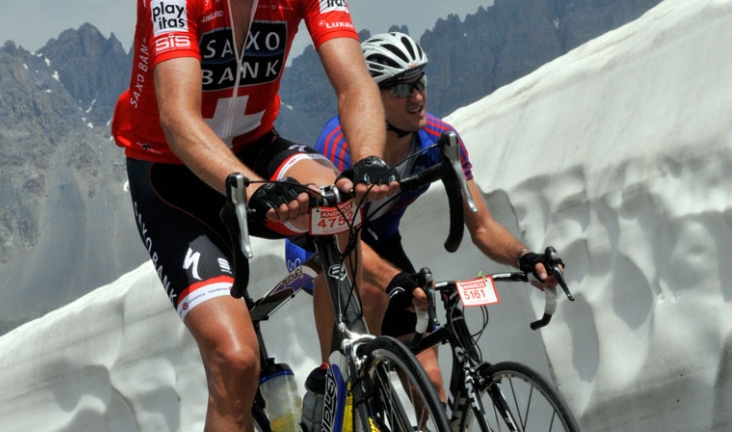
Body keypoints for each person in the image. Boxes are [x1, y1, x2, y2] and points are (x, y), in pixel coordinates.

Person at [111, 2, 399, 431]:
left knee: (337, 209)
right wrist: (255, 189)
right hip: (171, 173)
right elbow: (178, 118)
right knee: (236, 360)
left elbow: (355, 83)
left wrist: (370, 158)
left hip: (254, 145)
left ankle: (337, 394)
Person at [286, 32, 565, 407]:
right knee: (362, 313)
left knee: (429, 382)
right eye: (401, 87)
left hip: (380, 245)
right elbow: (339, 240)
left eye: (420, 82)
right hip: (323, 246)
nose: (416, 96)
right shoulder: (338, 143)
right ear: (371, 96)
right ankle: (337, 394)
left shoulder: (439, 140)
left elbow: (481, 225)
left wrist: (526, 258)